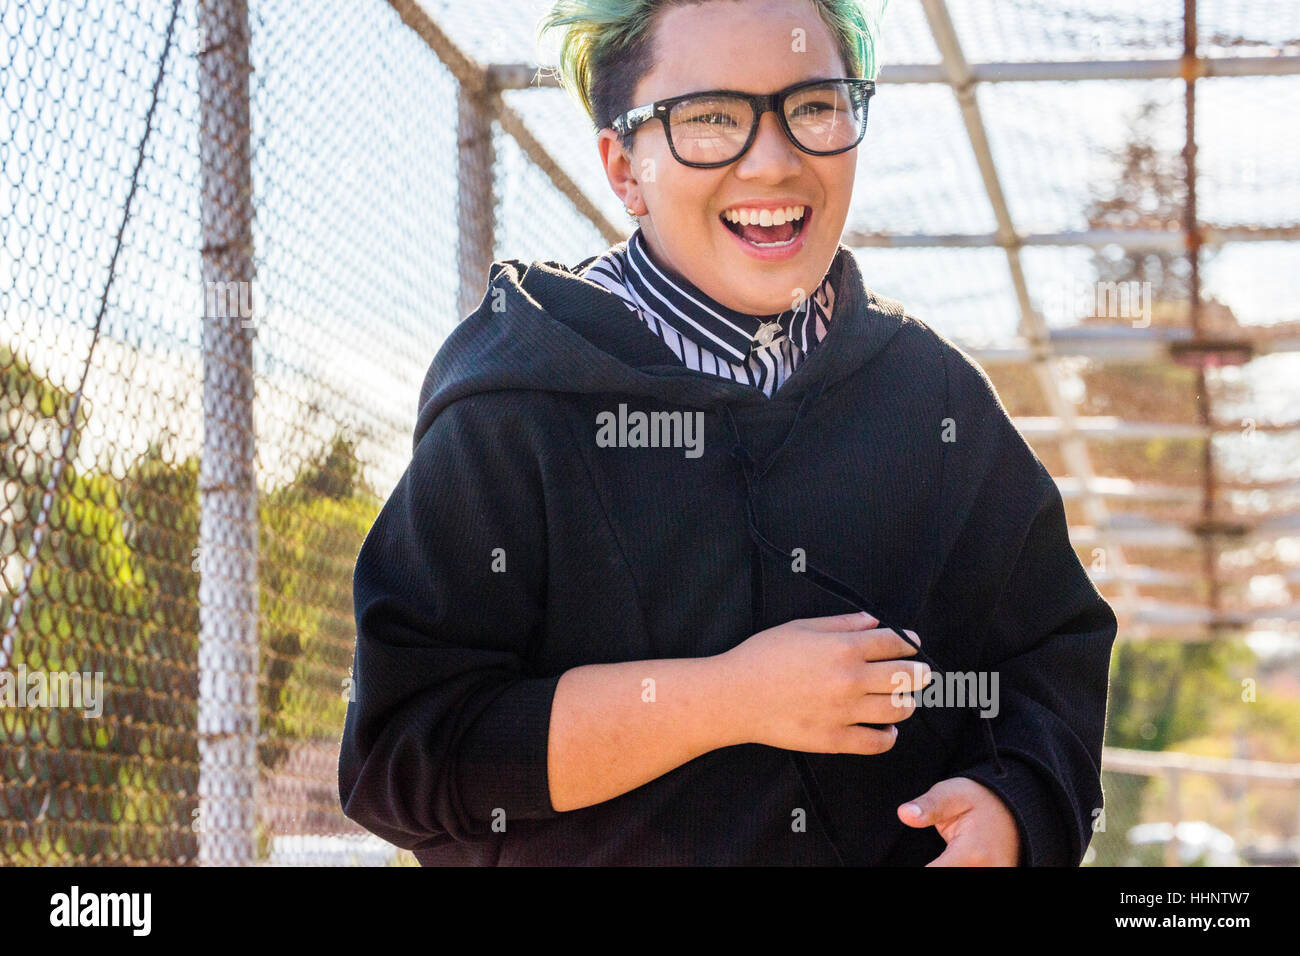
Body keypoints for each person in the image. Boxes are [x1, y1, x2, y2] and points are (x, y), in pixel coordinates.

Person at [338, 0, 1118, 866]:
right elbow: (401, 751)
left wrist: (1015, 809)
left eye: (815, 106)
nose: (775, 161)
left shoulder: (935, 402)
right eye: (711, 119)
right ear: (624, 167)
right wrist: (726, 699)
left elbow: (1052, 655)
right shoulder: (513, 402)